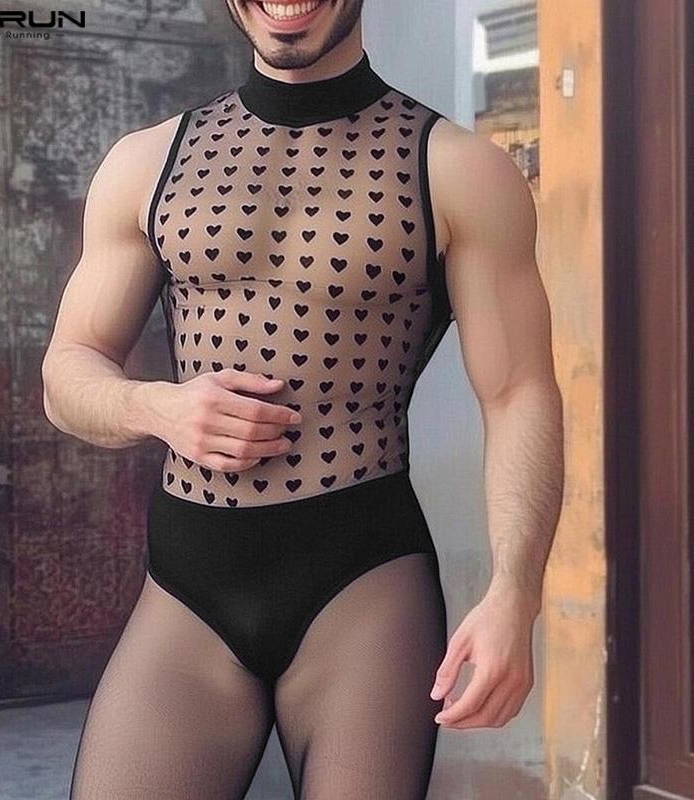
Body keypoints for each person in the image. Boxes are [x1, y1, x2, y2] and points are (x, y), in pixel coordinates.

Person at [42, 1, 564, 797]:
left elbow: (519, 391)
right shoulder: (146, 164)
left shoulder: (459, 170)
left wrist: (515, 594)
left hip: (361, 591)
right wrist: (157, 408)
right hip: (187, 591)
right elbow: (66, 373)